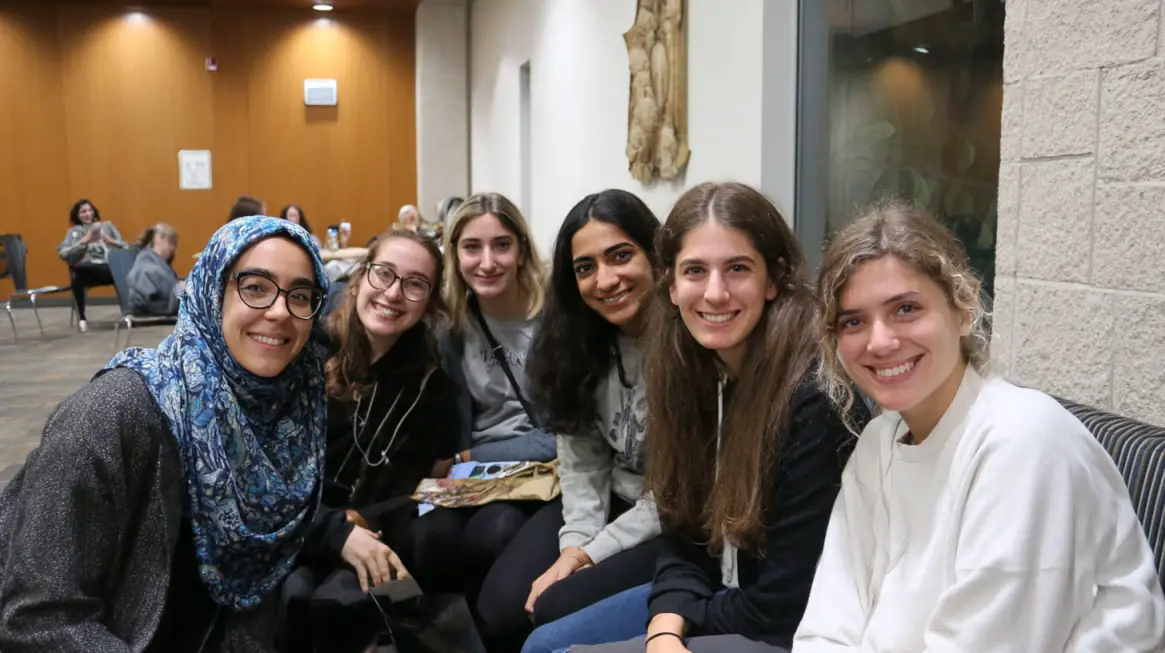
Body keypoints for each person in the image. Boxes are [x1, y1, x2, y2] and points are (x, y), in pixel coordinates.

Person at [792, 202, 1165, 652]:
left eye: (906, 309)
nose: (880, 341)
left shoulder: (1023, 443)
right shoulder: (877, 442)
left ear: (963, 307)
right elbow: (827, 626)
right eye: (853, 321)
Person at [533, 182, 864, 653]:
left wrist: (674, 627)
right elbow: (684, 533)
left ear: (774, 278)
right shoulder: (689, 370)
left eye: (737, 268)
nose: (714, 292)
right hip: (718, 596)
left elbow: (780, 606)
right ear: (671, 285)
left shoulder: (813, 396)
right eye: (694, 270)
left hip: (786, 628)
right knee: (543, 641)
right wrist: (667, 625)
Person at [0, 216, 330, 651]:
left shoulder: (291, 408)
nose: (279, 311)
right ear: (213, 290)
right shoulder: (112, 415)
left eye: (300, 295)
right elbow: (38, 619)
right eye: (255, 287)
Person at [281, 229, 464, 653]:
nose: (394, 294)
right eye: (384, 274)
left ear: (430, 301)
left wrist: (367, 528)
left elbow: (427, 487)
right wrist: (336, 530)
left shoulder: (434, 387)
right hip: (295, 530)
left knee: (384, 611)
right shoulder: (302, 352)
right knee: (295, 597)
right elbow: (261, 483)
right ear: (360, 278)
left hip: (380, 537)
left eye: (415, 283)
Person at [515, 190, 663, 635]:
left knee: (556, 608)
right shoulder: (579, 344)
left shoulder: (691, 342)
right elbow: (582, 461)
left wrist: (589, 555)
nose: (605, 280)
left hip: (673, 519)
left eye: (621, 256)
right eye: (586, 268)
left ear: (655, 254)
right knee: (502, 602)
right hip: (612, 499)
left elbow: (682, 493)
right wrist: (575, 544)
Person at [437, 192, 558, 652]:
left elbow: (559, 438)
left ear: (522, 250)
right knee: (427, 540)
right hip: (468, 477)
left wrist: (468, 456)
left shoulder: (556, 319)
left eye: (501, 245)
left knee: (495, 534)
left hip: (538, 475)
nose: (487, 262)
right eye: (472, 247)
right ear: (455, 254)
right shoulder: (449, 324)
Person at [57, 198, 126, 332]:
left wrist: (110, 241)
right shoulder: (74, 231)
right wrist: (83, 242)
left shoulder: (107, 226)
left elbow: (126, 247)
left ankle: (128, 312)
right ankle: (82, 318)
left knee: (121, 271)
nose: (88, 214)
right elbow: (63, 254)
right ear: (77, 215)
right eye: (83, 212)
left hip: (108, 268)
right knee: (79, 274)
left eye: (90, 210)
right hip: (88, 270)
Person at [128, 223, 184, 316]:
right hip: (157, 307)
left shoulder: (150, 260)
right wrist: (180, 289)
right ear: (159, 239)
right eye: (171, 243)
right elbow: (159, 297)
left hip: (157, 304)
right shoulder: (147, 264)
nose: (173, 249)